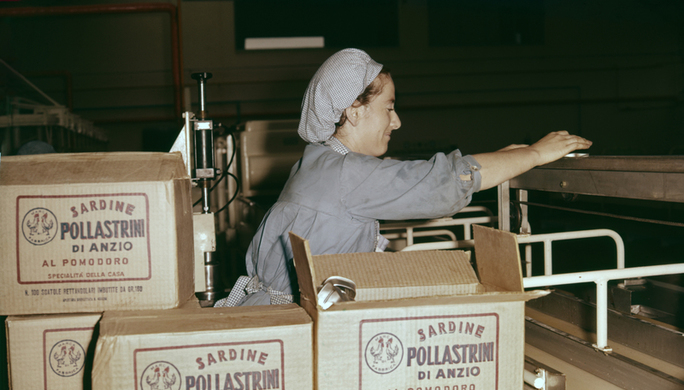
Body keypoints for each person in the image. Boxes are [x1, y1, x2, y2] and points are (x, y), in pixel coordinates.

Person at [215, 48, 592, 307]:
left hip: (277, 310)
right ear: (354, 111)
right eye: (389, 107)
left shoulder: (318, 162)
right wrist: (536, 154)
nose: (396, 121)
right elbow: (440, 184)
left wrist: (509, 157)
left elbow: (399, 175)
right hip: (290, 318)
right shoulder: (346, 174)